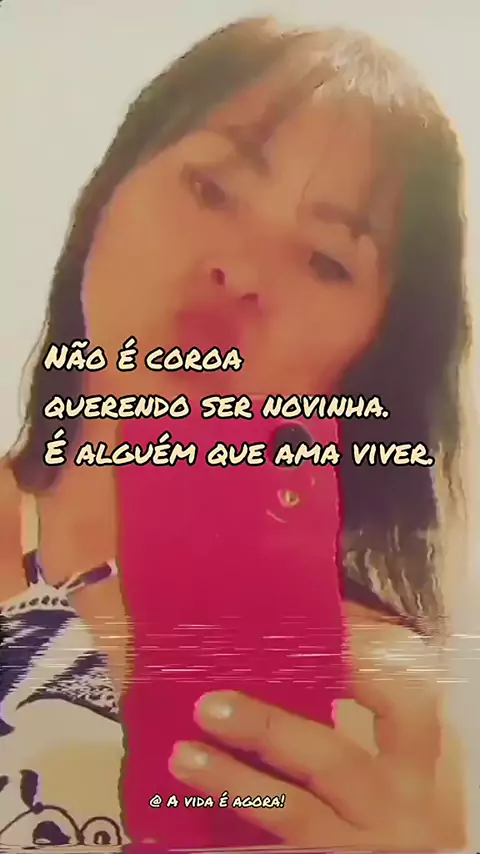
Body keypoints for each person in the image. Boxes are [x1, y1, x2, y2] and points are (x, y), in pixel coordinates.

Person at [0, 16, 470, 850]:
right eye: (212, 190)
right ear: (108, 196)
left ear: (371, 354)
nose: (242, 271)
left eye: (327, 260)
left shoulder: (382, 723)